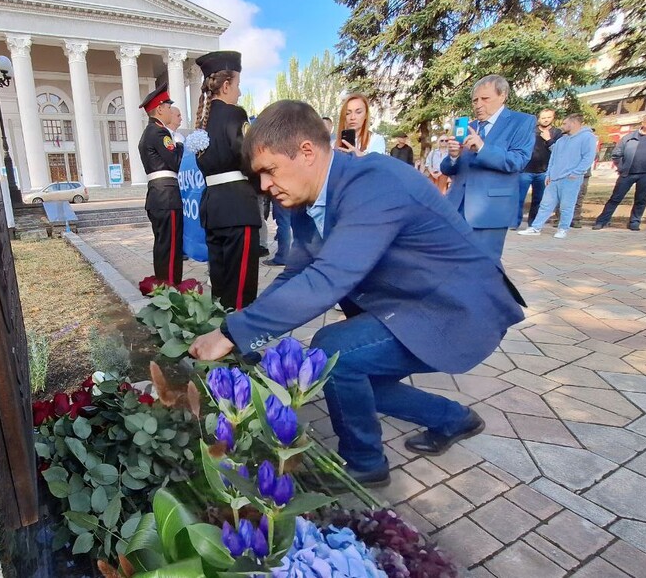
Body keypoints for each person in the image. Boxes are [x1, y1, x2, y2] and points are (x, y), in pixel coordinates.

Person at [188, 100, 525, 486]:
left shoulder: (375, 183)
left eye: (269, 171)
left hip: (457, 308)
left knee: (335, 352)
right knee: (353, 375)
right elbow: (299, 272)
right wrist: (243, 332)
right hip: (410, 302)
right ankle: (453, 419)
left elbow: (329, 279)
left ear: (307, 152)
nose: (263, 186)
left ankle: (364, 463)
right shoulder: (308, 199)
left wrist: (230, 333)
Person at [440, 75, 536, 259]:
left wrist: (482, 148)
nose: (478, 104)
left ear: (503, 96)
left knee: (484, 265)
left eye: (485, 99)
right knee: (451, 261)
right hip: (456, 206)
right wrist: (453, 157)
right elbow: (448, 169)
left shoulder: (521, 122)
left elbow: (518, 160)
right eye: (475, 100)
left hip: (490, 209)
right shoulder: (468, 126)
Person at [193, 50, 260, 310]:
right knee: (241, 286)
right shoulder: (235, 114)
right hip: (237, 207)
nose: (240, 93)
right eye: (238, 85)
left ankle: (217, 339)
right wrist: (258, 187)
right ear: (226, 85)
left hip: (213, 207)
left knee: (220, 284)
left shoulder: (202, 121)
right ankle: (238, 344)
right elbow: (248, 157)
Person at [517, 114, 597, 239]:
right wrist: (549, 174)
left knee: (566, 205)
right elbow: (553, 159)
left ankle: (563, 229)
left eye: (565, 124)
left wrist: (576, 173)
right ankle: (535, 227)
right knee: (545, 205)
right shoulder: (561, 140)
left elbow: (588, 157)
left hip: (571, 179)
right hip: (554, 178)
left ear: (574, 123)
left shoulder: (587, 137)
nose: (562, 126)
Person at [593, 110, 646, 231]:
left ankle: (634, 222)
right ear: (643, 122)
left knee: (641, 199)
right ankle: (602, 221)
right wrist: (621, 167)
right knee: (615, 198)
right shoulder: (629, 137)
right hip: (628, 173)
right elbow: (616, 154)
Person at [137, 82, 183, 285]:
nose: (171, 111)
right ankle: (171, 287)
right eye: (168, 106)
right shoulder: (159, 132)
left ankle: (164, 285)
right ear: (160, 109)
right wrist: (181, 144)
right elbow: (176, 161)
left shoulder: (148, 133)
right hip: (167, 196)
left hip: (157, 195)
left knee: (163, 244)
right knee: (171, 245)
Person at [516, 108, 561, 228]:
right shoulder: (530, 131)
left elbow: (559, 151)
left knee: (538, 200)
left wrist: (549, 140)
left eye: (548, 117)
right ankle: (515, 222)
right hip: (525, 170)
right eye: (543, 117)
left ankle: (533, 224)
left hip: (543, 172)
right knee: (518, 198)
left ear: (553, 118)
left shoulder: (557, 133)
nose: (546, 120)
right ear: (538, 119)